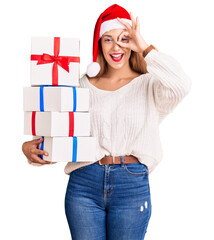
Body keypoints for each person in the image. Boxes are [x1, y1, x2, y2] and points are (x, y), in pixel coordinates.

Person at [22, 3, 192, 240]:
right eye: (108, 39)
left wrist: (143, 46)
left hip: (131, 185)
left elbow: (181, 84)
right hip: (84, 184)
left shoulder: (150, 85)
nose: (116, 47)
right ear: (99, 44)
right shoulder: (80, 85)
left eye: (124, 39)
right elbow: (58, 127)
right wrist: (28, 148)